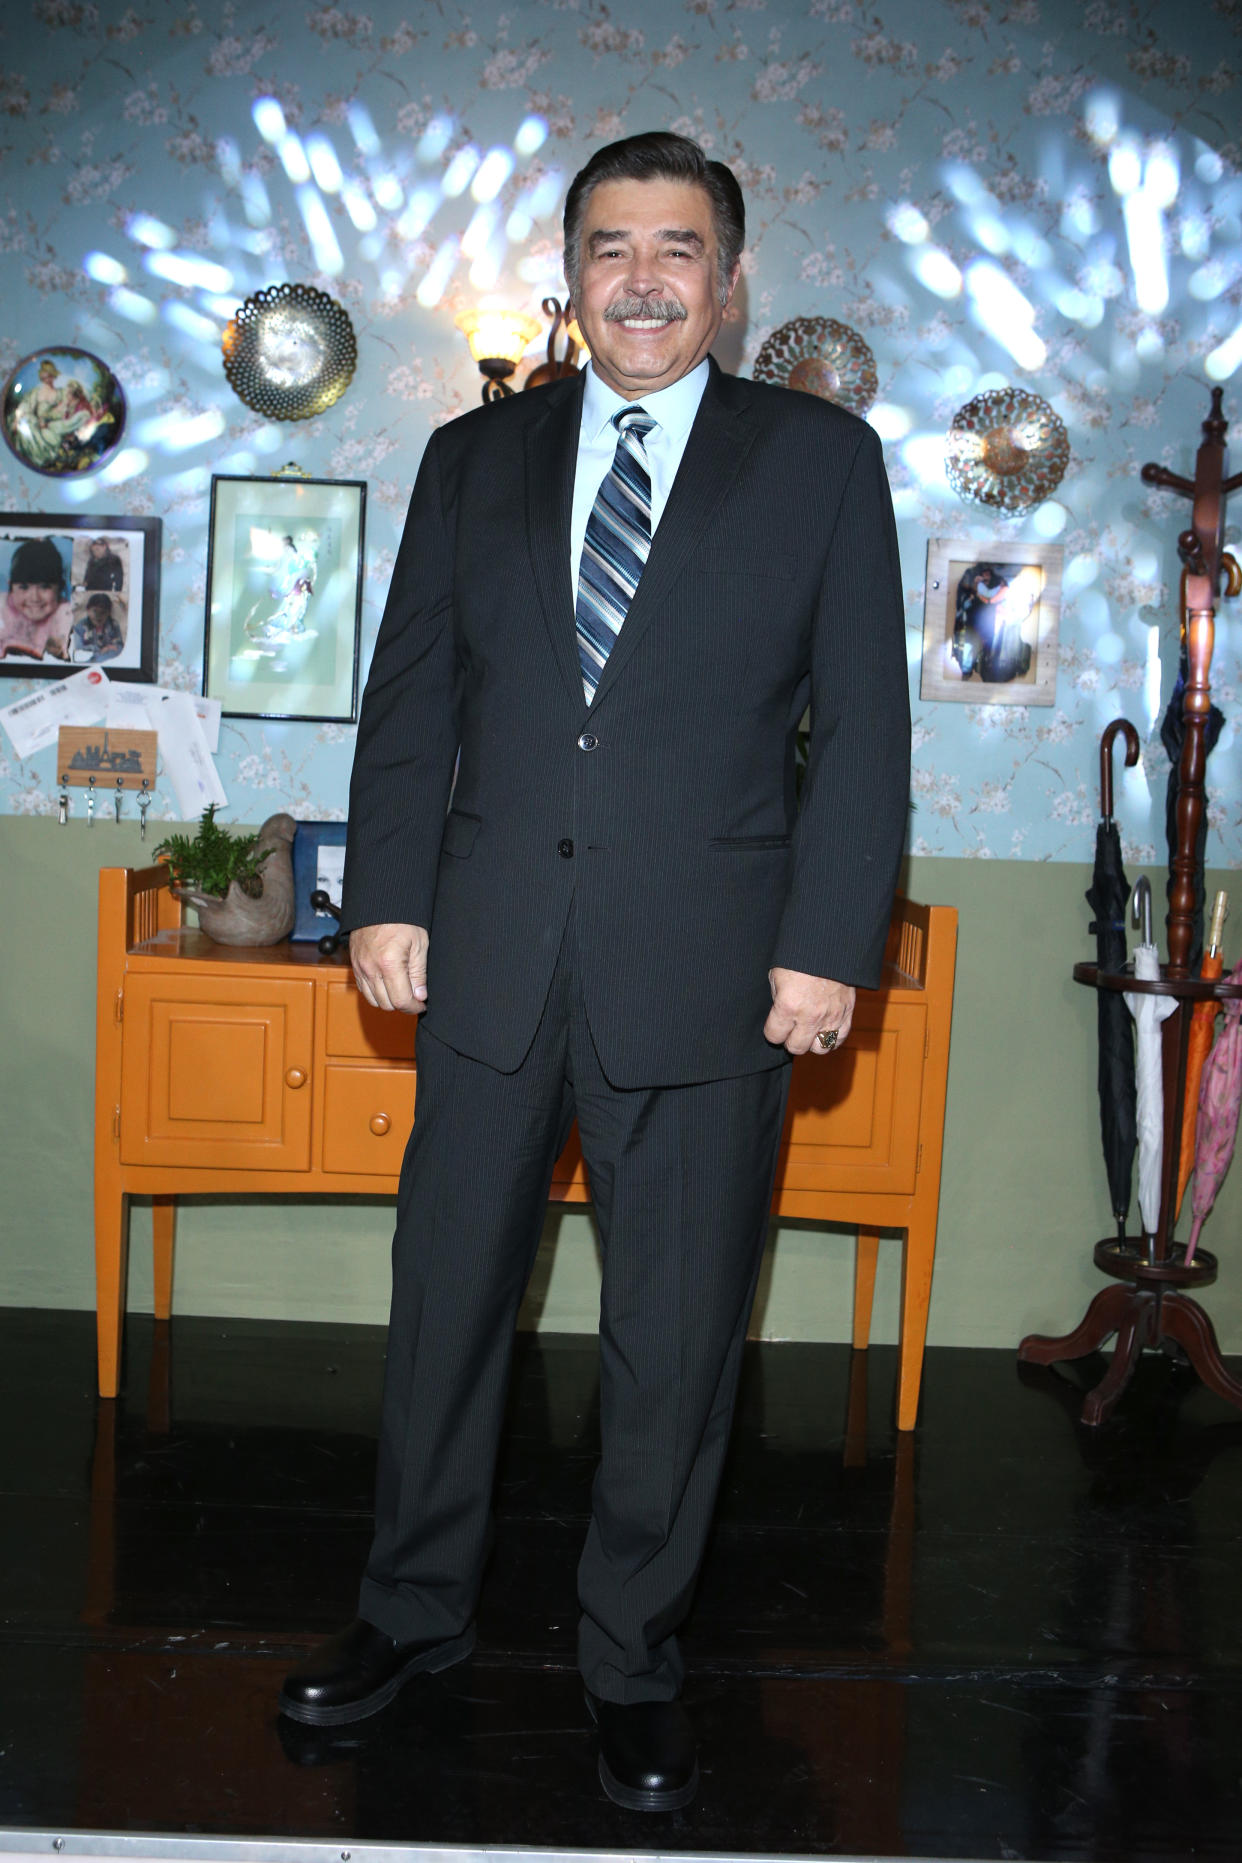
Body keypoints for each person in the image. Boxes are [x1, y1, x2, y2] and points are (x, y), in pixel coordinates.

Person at [279, 130, 911, 1812]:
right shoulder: (472, 455)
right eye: (611, 247)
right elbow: (411, 697)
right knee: (443, 1318)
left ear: (728, 278)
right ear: (569, 276)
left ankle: (629, 1659)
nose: (642, 278)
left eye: (678, 248)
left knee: (674, 1346)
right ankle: (406, 1619)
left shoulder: (822, 461)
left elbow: (858, 725)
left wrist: (825, 947)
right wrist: (387, 895)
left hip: (714, 981)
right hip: (483, 959)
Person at [0, 536, 71, 661]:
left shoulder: (65, 613)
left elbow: (60, 652)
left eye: (45, 586)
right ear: (10, 587)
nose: (34, 597)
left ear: (60, 587)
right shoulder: (3, 606)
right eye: (24, 587)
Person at [69, 591, 124, 663]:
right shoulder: (80, 627)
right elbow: (78, 649)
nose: (98, 616)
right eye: (95, 611)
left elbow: (119, 646)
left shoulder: (113, 625)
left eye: (103, 612)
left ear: (109, 613)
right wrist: (98, 651)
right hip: (88, 659)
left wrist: (109, 648)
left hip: (107, 658)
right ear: (88, 610)